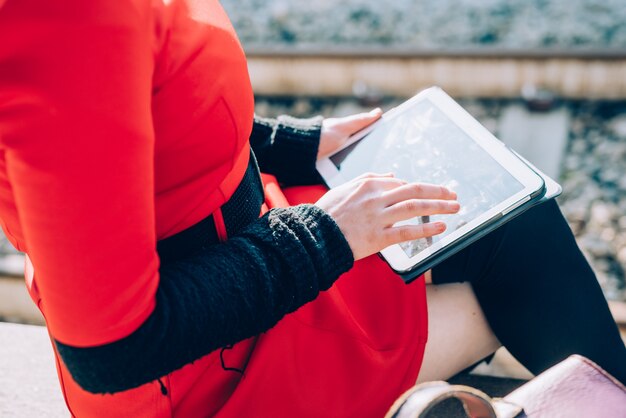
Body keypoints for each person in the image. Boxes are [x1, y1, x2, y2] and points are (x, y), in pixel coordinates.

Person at [0, 1, 624, 417]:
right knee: (518, 250)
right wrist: (328, 234)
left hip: (244, 256)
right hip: (206, 366)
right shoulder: (64, 23)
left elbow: (152, 105)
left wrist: (294, 146)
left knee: (498, 208)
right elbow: (113, 347)